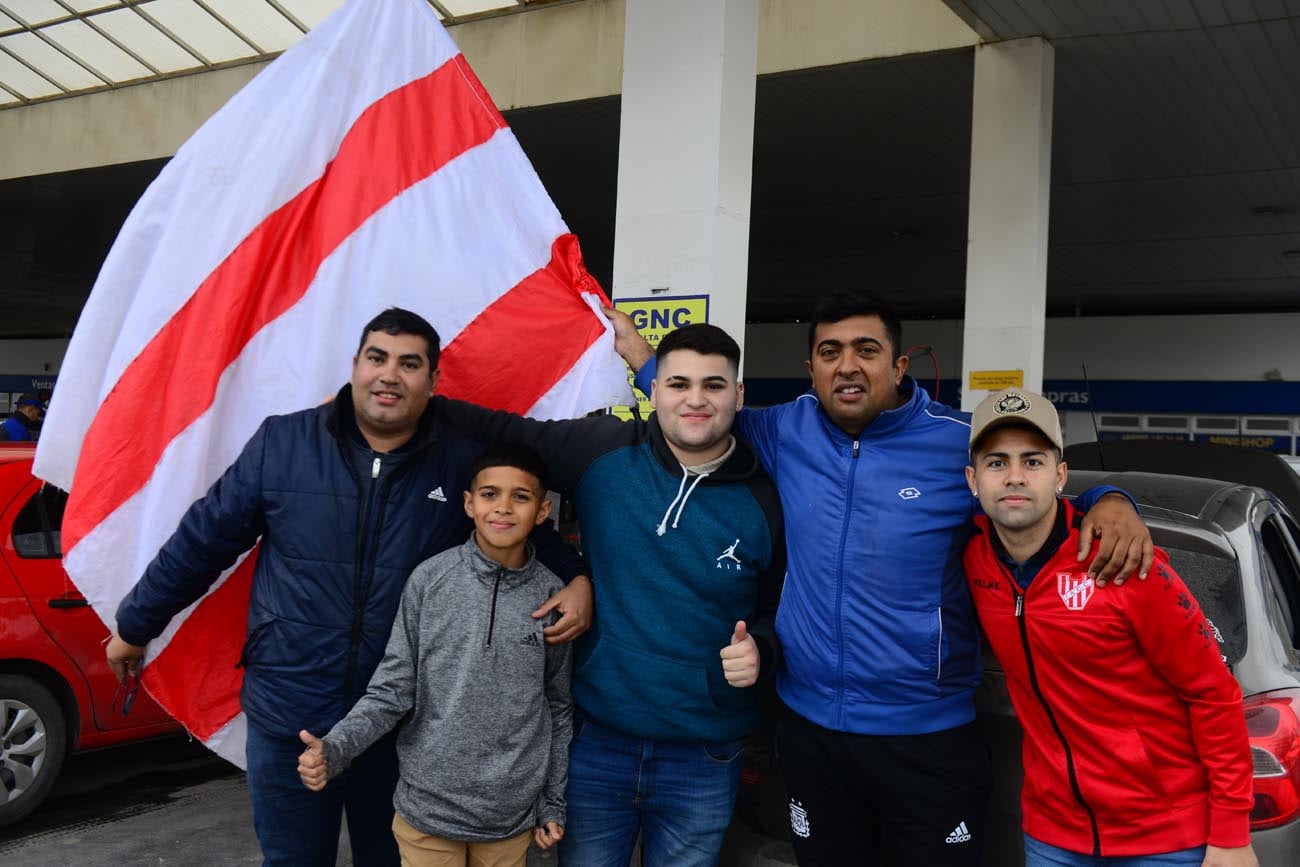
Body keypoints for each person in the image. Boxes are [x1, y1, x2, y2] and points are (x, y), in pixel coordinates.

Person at [611, 291, 1153, 866]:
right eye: (830, 351)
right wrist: (640, 353)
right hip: (811, 730)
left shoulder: (958, 441)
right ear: (812, 370)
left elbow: (1035, 484)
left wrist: (1110, 499)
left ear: (898, 367)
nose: (847, 365)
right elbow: (701, 412)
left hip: (928, 737)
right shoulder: (783, 430)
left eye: (866, 350)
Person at [104, 308, 592, 867]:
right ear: (355, 366)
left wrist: (578, 578)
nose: (390, 375)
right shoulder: (282, 444)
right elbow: (203, 540)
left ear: (433, 383)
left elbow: (516, 530)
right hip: (292, 710)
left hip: (400, 726)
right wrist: (135, 624)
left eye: (410, 365)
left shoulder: (459, 462)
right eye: (377, 358)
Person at [432, 323, 785, 867]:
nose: (695, 399)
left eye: (714, 386)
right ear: (654, 388)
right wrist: (394, 405)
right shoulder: (601, 453)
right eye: (678, 384)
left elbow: (779, 607)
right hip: (599, 740)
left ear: (738, 396)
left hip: (706, 752)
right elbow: (496, 432)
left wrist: (762, 646)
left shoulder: (769, 496)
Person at [963, 388, 1256, 867]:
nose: (1015, 476)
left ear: (1060, 475)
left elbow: (1213, 695)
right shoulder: (972, 556)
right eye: (997, 463)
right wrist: (1113, 495)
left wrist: (1230, 835)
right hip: (1053, 836)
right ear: (973, 479)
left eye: (1032, 461)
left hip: (1166, 840)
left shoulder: (1124, 563)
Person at [296, 443, 573, 867]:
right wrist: (335, 748)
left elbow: (557, 707)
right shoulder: (429, 581)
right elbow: (392, 689)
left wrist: (552, 802)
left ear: (541, 511)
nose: (503, 508)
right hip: (427, 813)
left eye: (520, 496)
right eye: (489, 494)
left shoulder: (555, 597)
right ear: (468, 504)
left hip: (511, 819)